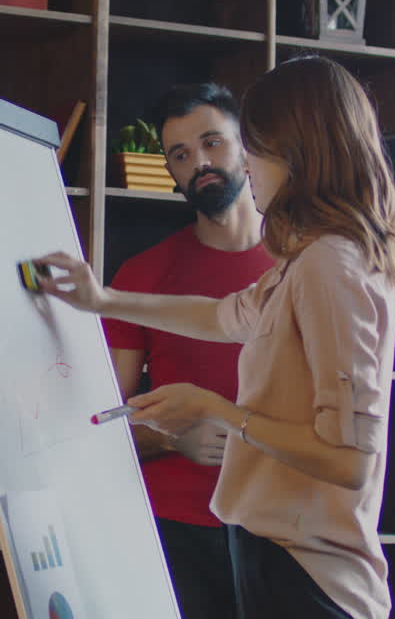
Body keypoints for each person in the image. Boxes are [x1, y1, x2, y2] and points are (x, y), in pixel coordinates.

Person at [37, 55, 395, 619]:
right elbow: (221, 317)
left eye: (251, 148)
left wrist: (218, 411)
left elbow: (350, 461)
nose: (251, 167)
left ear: (296, 151)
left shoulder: (329, 263)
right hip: (278, 556)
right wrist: (102, 300)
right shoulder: (307, 260)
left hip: (308, 574)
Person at [104, 83, 273, 619]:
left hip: (284, 527)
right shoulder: (142, 276)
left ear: (246, 146)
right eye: (180, 154)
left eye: (212, 143)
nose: (199, 162)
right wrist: (173, 436)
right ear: (171, 171)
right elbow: (97, 421)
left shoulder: (304, 268)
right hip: (172, 533)